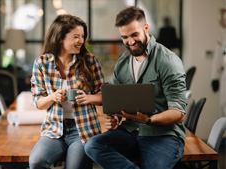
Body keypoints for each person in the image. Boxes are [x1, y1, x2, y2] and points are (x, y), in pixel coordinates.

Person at [85, 6, 186, 169]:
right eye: (124, 37)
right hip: (131, 131)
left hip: (163, 135)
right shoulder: (122, 63)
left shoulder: (168, 61)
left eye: (134, 34)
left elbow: (179, 113)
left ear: (146, 28)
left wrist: (149, 120)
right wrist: (115, 119)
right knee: (92, 146)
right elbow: (118, 103)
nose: (130, 42)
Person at [29, 14, 105, 169]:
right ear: (60, 38)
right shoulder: (42, 63)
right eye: (75, 36)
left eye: (82, 36)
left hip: (83, 129)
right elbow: (38, 102)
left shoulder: (90, 61)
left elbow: (105, 96)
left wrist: (88, 98)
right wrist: (52, 97)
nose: (81, 41)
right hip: (54, 130)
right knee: (36, 161)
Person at [211, 7, 226, 117]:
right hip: (223, 75)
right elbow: (218, 57)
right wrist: (214, 77)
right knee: (223, 105)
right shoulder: (223, 36)